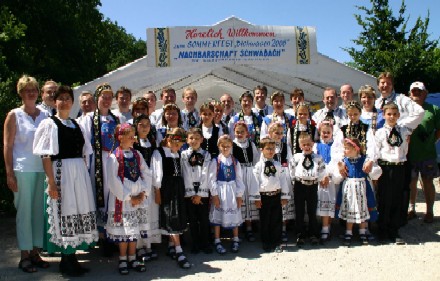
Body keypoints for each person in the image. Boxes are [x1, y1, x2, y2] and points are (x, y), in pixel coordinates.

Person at [33, 85, 98, 276]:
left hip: (78, 173)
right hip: (61, 172)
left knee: (77, 210)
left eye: (68, 98)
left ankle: (72, 258)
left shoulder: (75, 124)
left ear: (72, 101)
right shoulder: (49, 124)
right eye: (60, 98)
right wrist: (51, 182)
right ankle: (65, 260)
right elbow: (45, 155)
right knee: (64, 211)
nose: (64, 101)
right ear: (55, 102)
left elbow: (85, 151)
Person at [3, 75, 50, 273]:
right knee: (25, 212)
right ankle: (24, 255)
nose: (31, 93)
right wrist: (9, 173)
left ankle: (35, 253)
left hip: (41, 169)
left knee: (39, 212)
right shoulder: (14, 115)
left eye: (34, 89)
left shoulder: (44, 115)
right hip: (22, 170)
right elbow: (8, 145)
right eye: (27, 89)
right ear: (21, 93)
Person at [79, 82, 126, 257]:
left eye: (109, 97)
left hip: (113, 161)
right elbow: (84, 142)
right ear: (97, 98)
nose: (106, 100)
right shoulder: (89, 118)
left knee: (112, 196)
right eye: (103, 97)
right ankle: (100, 236)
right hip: (96, 162)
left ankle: (111, 234)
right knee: (99, 197)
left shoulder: (116, 119)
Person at [375, 72, 424, 227]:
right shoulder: (377, 103)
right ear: (378, 85)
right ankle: (383, 223)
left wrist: (404, 128)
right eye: (382, 83)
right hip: (382, 152)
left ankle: (398, 222)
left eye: (388, 83)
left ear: (392, 84)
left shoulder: (402, 99)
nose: (384, 85)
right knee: (383, 193)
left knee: (400, 190)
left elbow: (419, 113)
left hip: (399, 151)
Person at [106, 123, 151, 275]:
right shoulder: (114, 157)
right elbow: (113, 180)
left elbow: (146, 172)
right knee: (124, 232)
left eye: (133, 134)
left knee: (134, 230)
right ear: (120, 137)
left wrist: (143, 193)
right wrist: (129, 197)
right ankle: (123, 259)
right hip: (123, 201)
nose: (133, 138)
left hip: (138, 199)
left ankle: (132, 257)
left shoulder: (137, 154)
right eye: (129, 135)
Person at [151, 128, 191, 269]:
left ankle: (170, 245)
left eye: (180, 144)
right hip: (167, 188)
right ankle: (179, 250)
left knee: (176, 214)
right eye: (176, 143)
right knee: (171, 216)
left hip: (177, 187)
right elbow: (156, 173)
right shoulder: (159, 152)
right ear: (169, 139)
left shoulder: (177, 153)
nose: (178, 146)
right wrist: (157, 190)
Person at [375, 103, 412, 244]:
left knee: (397, 197)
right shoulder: (379, 133)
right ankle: (382, 229)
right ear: (384, 115)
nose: (391, 117)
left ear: (398, 115)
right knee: (384, 198)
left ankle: (394, 229)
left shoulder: (403, 132)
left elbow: (405, 151)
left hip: (399, 167)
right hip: (385, 167)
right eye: (389, 114)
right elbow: (377, 152)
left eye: (394, 114)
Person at [334, 138, 381, 246]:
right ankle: (349, 232)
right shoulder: (344, 161)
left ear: (356, 149)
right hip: (349, 190)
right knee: (350, 209)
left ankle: (362, 231)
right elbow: (338, 176)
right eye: (345, 148)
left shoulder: (364, 160)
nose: (345, 151)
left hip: (362, 189)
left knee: (362, 209)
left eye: (347, 149)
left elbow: (375, 173)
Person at [407, 82, 440, 223]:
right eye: (413, 91)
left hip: (427, 154)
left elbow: (439, 130)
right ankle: (411, 209)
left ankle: (430, 211)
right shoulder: (405, 110)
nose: (416, 94)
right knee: (411, 182)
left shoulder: (434, 109)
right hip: (409, 154)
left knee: (428, 182)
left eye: (419, 91)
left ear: (425, 93)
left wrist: (432, 141)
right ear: (410, 94)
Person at [208, 135, 244, 255]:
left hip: (232, 191)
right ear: (219, 146)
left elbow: (239, 179)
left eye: (228, 146)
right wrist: (215, 195)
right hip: (220, 190)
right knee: (218, 215)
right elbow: (212, 179)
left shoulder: (235, 161)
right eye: (223, 146)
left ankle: (235, 238)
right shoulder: (216, 161)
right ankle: (217, 240)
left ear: (231, 146)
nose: (225, 148)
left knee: (234, 213)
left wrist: (239, 195)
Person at [252, 137, 290, 252]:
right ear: (261, 150)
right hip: (264, 197)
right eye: (268, 149)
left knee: (276, 219)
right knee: (265, 220)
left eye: (273, 148)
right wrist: (257, 198)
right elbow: (255, 182)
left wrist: (284, 196)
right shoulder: (258, 166)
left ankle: (276, 241)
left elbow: (283, 180)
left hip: (276, 195)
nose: (270, 151)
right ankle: (266, 241)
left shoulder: (278, 165)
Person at [290, 133, 326, 246]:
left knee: (312, 211)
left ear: (312, 144)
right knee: (299, 211)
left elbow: (321, 172)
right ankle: (300, 234)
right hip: (299, 185)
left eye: (309, 144)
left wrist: (320, 179)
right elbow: (292, 171)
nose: (307, 146)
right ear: (300, 145)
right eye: (304, 144)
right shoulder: (296, 157)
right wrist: (293, 183)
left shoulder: (318, 158)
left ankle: (313, 234)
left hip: (313, 186)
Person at [133, 114, 160, 261]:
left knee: (149, 213)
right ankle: (138, 247)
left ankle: (148, 244)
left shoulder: (152, 142)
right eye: (141, 124)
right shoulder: (134, 143)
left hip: (150, 181)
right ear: (136, 126)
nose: (144, 127)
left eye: (147, 124)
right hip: (138, 182)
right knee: (139, 214)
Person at [181, 128, 213, 254]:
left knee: (204, 219)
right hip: (189, 191)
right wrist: (192, 193)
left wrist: (199, 194)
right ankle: (195, 243)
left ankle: (205, 243)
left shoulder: (206, 155)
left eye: (196, 138)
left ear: (201, 140)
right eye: (191, 138)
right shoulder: (184, 155)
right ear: (187, 140)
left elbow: (206, 173)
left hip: (202, 191)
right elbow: (186, 173)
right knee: (192, 220)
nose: (194, 141)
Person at [232, 121, 260, 242]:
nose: (239, 134)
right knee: (240, 199)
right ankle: (238, 228)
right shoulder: (232, 145)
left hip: (250, 173)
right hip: (238, 173)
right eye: (237, 132)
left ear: (247, 133)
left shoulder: (251, 144)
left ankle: (249, 227)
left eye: (242, 132)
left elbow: (256, 160)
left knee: (249, 199)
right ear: (234, 132)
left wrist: (255, 173)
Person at [268, 122, 294, 243]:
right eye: (276, 133)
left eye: (280, 133)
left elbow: (290, 161)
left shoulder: (285, 146)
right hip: (271, 174)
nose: (279, 135)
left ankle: (283, 228)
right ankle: (273, 229)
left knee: (283, 202)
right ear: (270, 133)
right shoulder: (268, 146)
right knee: (273, 203)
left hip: (284, 174)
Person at [314, 121, 336, 244]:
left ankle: (326, 227)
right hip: (319, 176)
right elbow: (315, 160)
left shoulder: (335, 145)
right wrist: (321, 175)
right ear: (319, 133)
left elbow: (335, 160)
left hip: (331, 177)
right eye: (323, 132)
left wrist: (328, 174)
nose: (326, 134)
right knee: (320, 201)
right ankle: (322, 225)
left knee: (329, 201)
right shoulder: (316, 146)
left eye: (328, 132)